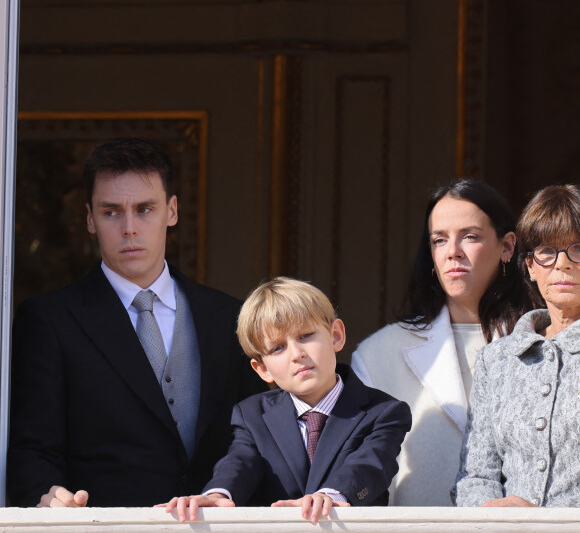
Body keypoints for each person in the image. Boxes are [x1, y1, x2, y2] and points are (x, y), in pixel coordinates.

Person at [7, 137, 265, 508]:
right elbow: (32, 448)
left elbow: (259, 437)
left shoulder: (229, 317)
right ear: (89, 219)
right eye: (111, 212)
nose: (129, 227)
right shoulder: (50, 320)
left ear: (172, 211)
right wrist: (45, 498)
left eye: (145, 209)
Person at [158, 277, 412, 524]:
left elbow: (370, 465)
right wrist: (218, 494)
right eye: (278, 348)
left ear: (335, 335)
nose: (297, 354)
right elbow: (239, 463)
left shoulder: (384, 412)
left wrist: (330, 496)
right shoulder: (252, 414)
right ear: (262, 369)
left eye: (306, 336)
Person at [351, 178, 532, 506]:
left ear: (507, 247)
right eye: (439, 240)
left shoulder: (546, 342)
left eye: (470, 237)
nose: (453, 253)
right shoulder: (378, 354)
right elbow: (357, 475)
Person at [454, 184, 580, 507]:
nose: (563, 264)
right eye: (547, 252)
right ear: (530, 266)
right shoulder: (496, 361)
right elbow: (475, 476)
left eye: (578, 249)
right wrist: (495, 515)